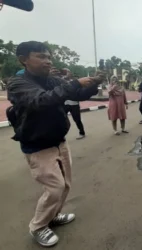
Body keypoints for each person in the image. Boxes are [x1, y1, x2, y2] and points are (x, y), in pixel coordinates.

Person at [6, 41, 104, 247]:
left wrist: (94, 83)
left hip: (59, 141)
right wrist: (76, 82)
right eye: (41, 56)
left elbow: (77, 95)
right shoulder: (18, 83)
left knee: (65, 185)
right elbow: (42, 100)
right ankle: (38, 226)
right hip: (38, 146)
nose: (48, 61)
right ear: (24, 60)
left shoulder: (51, 79)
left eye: (49, 57)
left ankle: (52, 216)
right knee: (55, 188)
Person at [63, 68, 86, 140]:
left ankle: (82, 133)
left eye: (68, 72)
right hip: (64, 104)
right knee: (61, 119)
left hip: (74, 104)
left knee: (77, 119)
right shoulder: (60, 81)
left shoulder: (74, 82)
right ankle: (61, 134)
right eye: (66, 72)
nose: (68, 73)